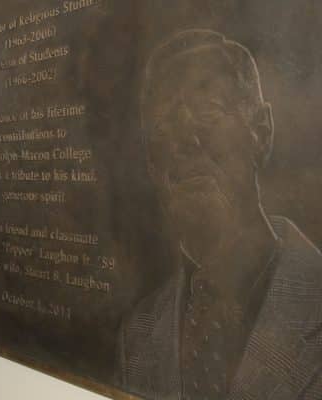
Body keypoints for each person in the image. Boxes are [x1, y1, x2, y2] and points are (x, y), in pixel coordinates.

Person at [118, 29, 322, 399]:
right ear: (151, 163)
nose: (187, 139)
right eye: (165, 125)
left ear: (261, 132)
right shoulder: (139, 334)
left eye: (209, 111)